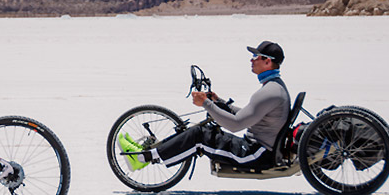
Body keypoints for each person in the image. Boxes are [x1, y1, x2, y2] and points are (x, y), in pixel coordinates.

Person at [119, 41, 291, 170]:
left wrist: (206, 104)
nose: (251, 60)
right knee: (203, 131)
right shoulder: (274, 88)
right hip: (254, 148)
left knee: (199, 136)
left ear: (268, 62)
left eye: (255, 57)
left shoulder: (270, 92)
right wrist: (219, 102)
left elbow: (236, 124)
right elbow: (248, 115)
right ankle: (147, 152)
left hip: (255, 155)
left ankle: (143, 158)